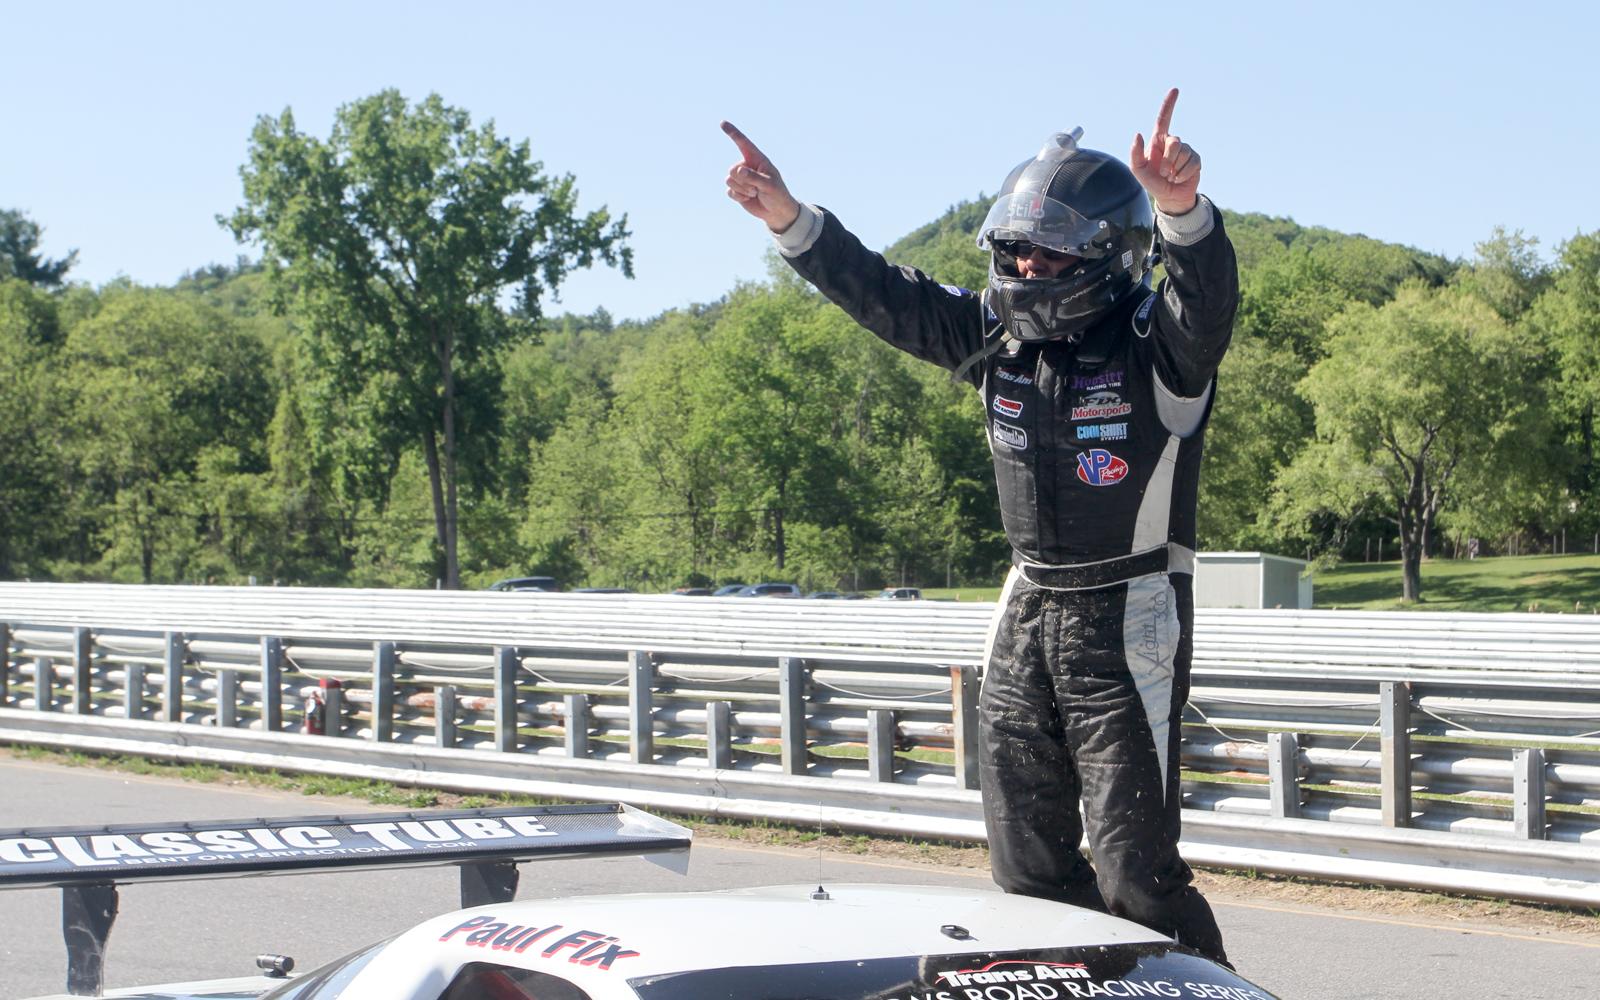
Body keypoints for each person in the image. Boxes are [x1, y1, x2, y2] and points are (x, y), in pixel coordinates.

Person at [720, 89, 1237, 965]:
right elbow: (887, 295)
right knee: (1025, 862)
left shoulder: (1161, 347)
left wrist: (1182, 212)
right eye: (1015, 248)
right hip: (1026, 602)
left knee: (1135, 872)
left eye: (1049, 250)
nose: (1027, 265)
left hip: (1130, 608)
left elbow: (1206, 300)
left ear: (1109, 253)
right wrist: (789, 219)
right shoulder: (995, 336)